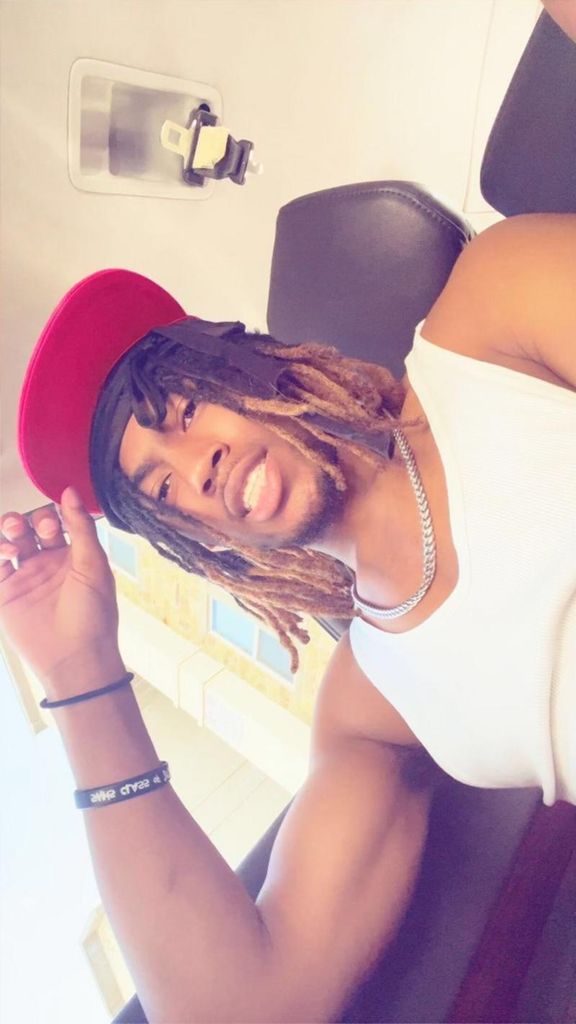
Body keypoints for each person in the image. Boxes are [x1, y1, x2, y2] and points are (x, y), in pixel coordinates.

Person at [2, 11, 576, 1022]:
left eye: (185, 409)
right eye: (164, 495)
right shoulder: (375, 704)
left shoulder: (488, 323)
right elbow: (248, 1008)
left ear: (249, 359)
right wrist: (80, 677)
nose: (200, 469)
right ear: (206, 548)